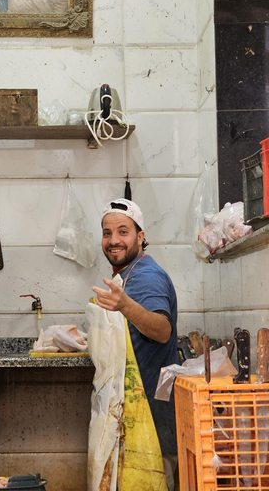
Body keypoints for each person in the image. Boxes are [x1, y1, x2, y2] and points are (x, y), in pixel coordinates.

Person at [92, 198, 179, 490]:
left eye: (123, 231)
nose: (113, 240)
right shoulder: (130, 273)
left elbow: (162, 330)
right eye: (107, 233)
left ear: (140, 237)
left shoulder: (146, 276)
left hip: (152, 412)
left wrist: (125, 305)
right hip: (141, 407)